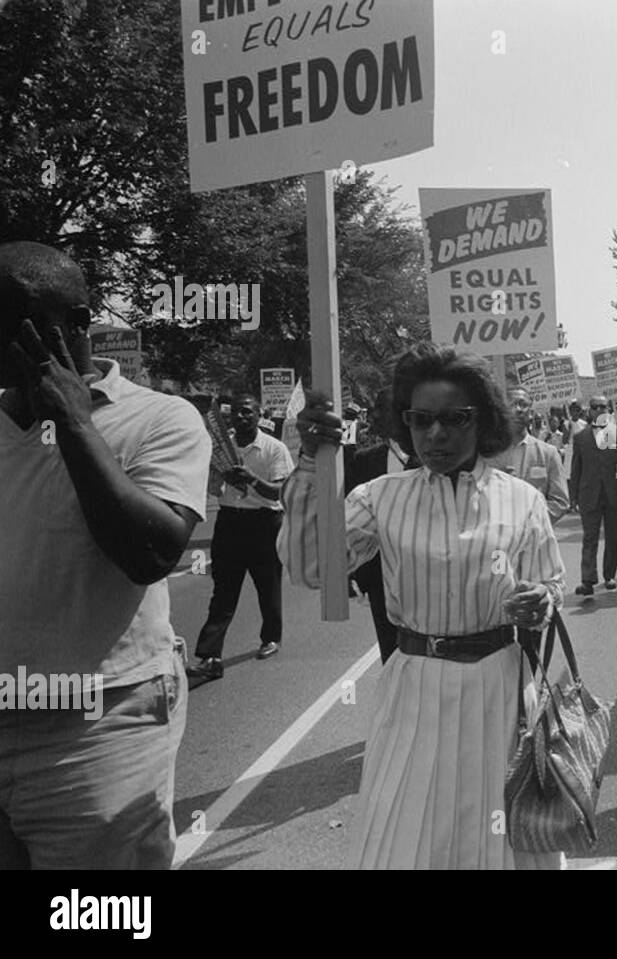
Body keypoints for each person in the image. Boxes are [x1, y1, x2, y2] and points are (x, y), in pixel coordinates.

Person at [281, 344, 563, 869]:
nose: (435, 434)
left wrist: (539, 601)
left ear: (483, 421)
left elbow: (549, 584)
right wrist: (307, 465)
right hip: (414, 685)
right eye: (420, 419)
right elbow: (311, 568)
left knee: (497, 837)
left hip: (499, 689)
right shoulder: (379, 497)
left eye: (454, 419)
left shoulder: (523, 500)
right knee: (403, 833)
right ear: (404, 422)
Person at [0, 241, 209, 867]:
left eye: (10, 324)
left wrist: (74, 424)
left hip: (99, 727)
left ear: (75, 326)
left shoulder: (161, 419)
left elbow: (148, 553)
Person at [188, 393, 294, 682]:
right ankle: (210, 656)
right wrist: (220, 478)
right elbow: (214, 490)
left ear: (259, 415)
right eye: (236, 412)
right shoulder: (221, 449)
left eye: (248, 412)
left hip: (264, 524)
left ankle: (271, 637)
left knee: (267, 586)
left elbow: (280, 492)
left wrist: (251, 480)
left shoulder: (274, 448)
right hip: (230, 524)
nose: (242, 417)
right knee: (223, 592)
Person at [343, 387, 411, 665]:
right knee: (392, 655)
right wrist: (347, 425)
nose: (373, 416)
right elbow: (341, 477)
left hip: (427, 570)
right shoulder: (365, 460)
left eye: (380, 409)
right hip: (381, 575)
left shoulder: (435, 458)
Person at [568, 394, 617, 595]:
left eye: (603, 407)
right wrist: (573, 496)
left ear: (609, 410)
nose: (599, 410)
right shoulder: (580, 437)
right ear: (590, 410)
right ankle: (588, 580)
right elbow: (575, 469)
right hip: (589, 495)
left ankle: (609, 575)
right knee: (590, 537)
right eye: (595, 407)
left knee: (613, 537)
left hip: (613, 495)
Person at [486, 387, 568, 522]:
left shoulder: (548, 453)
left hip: (535, 536)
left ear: (531, 412)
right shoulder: (487, 453)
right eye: (512, 404)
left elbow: (560, 502)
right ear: (500, 410)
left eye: (523, 405)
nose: (518, 409)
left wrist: (529, 521)